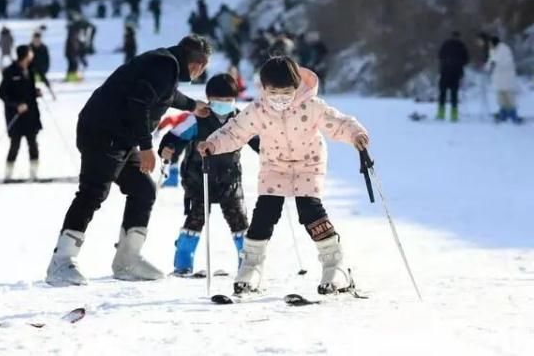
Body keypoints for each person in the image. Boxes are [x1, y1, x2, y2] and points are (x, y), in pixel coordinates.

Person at [45, 35, 213, 287]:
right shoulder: (164, 65)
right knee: (93, 192)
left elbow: (166, 95)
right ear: (197, 64)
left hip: (120, 136)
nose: (201, 73)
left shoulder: (166, 65)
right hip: (103, 132)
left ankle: (127, 260)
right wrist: (146, 147)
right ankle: (61, 261)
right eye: (204, 68)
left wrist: (192, 105)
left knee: (143, 189)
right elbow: (139, 103)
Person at [198, 56, 369, 295]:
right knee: (264, 214)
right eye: (274, 94)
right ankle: (251, 267)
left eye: (286, 93)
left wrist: (355, 135)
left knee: (310, 211)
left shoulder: (312, 105)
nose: (280, 100)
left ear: (297, 86)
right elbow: (236, 131)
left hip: (308, 165)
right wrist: (213, 144)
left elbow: (338, 123)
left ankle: (335, 266)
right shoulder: (258, 109)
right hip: (274, 167)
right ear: (263, 88)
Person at [159, 74, 259, 275]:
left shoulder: (240, 120)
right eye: (218, 101)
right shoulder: (196, 119)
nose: (223, 105)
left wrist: (269, 152)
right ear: (209, 99)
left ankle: (247, 264)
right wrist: (168, 148)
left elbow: (256, 141)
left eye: (227, 100)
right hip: (198, 178)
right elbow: (175, 136)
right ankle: (183, 263)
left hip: (229, 179)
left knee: (239, 220)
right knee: (196, 218)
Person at [0, 45, 42, 181]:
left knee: (33, 144)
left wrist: (36, 93)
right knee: (15, 145)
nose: (32, 55)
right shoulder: (10, 72)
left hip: (31, 115)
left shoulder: (31, 69)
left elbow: (29, 90)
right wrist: (16, 105)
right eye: (30, 53)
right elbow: (1, 94)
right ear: (25, 55)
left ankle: (34, 174)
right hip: (15, 116)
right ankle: (8, 175)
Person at [486, 36, 522, 123]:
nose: (489, 45)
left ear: (495, 43)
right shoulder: (492, 51)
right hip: (498, 78)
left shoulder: (504, 49)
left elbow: (506, 62)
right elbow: (490, 61)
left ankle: (513, 115)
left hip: (507, 77)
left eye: (490, 43)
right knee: (500, 97)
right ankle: (503, 115)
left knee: (509, 97)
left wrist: (495, 64)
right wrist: (486, 67)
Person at [437, 31, 470, 121]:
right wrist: (459, 64)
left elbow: (440, 56)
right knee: (454, 94)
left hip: (445, 71)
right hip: (456, 72)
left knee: (442, 93)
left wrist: (445, 63)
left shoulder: (446, 44)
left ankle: (441, 113)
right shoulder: (461, 46)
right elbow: (466, 60)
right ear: (459, 37)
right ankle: (454, 115)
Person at [30, 31, 55, 99]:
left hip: (41, 68)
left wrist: (45, 69)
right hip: (31, 68)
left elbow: (47, 60)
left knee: (45, 80)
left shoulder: (44, 48)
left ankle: (53, 94)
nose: (36, 41)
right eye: (35, 39)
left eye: (38, 39)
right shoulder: (29, 47)